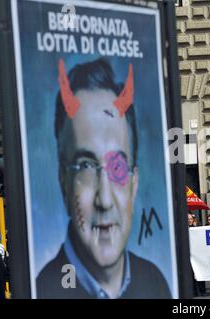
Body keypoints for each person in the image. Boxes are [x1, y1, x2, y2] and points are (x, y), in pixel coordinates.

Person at [36, 58, 170, 299]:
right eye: (86, 166)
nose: (105, 200)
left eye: (118, 166)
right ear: (62, 182)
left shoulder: (156, 283)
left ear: (134, 183)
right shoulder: (41, 291)